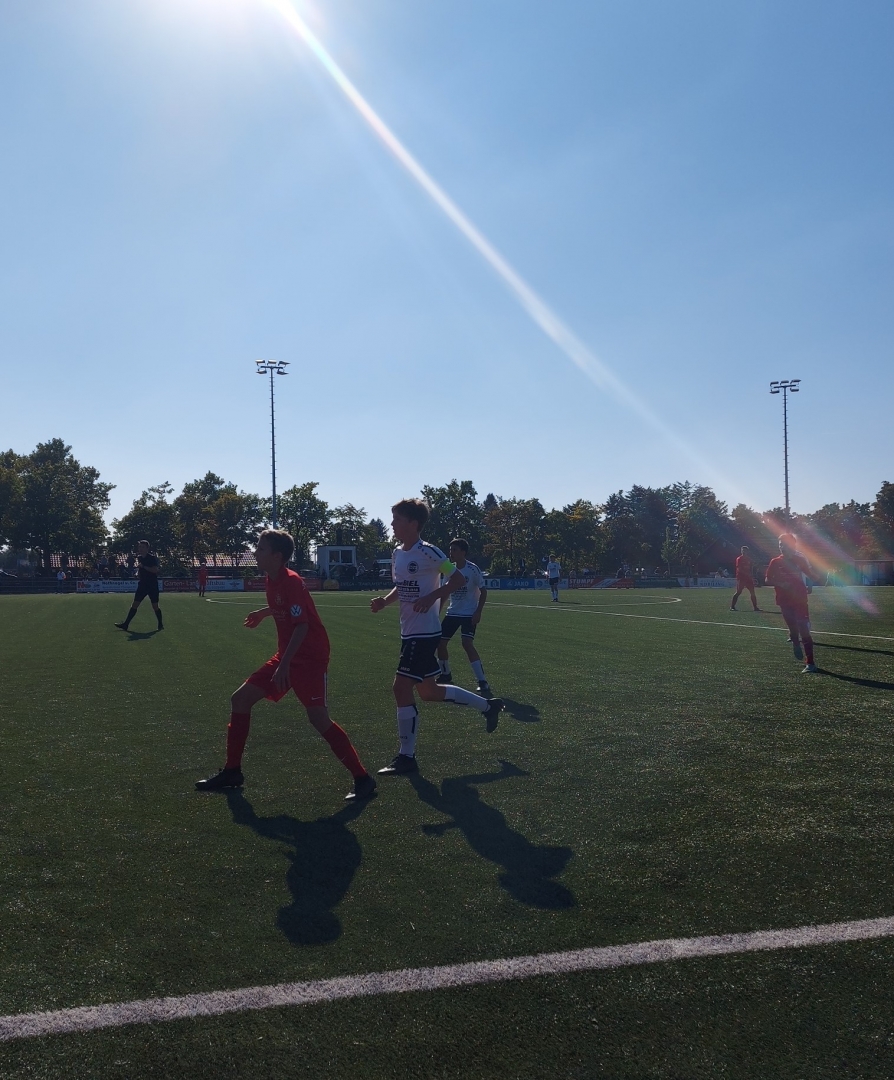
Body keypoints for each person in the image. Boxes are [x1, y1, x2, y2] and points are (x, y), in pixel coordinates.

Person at [196, 529, 376, 801]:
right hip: (288, 655)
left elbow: (302, 626)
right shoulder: (272, 578)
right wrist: (264, 613)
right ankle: (232, 771)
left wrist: (285, 665)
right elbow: (287, 607)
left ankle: (362, 778)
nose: (256, 552)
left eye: (261, 548)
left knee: (318, 718)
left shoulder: (292, 581)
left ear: (277, 556)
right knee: (240, 699)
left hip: (309, 658)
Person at [370, 499, 504, 775]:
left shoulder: (429, 552)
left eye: (397, 519)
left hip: (425, 631)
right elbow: (400, 587)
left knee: (401, 688)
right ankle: (488, 706)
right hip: (409, 631)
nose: (392, 524)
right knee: (429, 692)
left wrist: (432, 596)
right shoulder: (397, 553)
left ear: (413, 524)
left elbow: (457, 580)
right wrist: (385, 601)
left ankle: (406, 756)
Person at [436, 538, 493, 697]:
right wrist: (437, 612)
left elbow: (483, 591)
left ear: (463, 552)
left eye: (454, 550)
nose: (451, 553)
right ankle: (445, 674)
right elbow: (445, 592)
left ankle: (482, 681)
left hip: (469, 613)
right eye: (450, 550)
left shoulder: (473, 569)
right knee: (440, 642)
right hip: (453, 612)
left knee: (467, 643)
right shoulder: (449, 569)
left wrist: (478, 612)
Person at [765, 533, 817, 674]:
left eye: (785, 544)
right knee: (793, 629)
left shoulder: (800, 559)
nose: (782, 547)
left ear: (792, 545)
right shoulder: (775, 562)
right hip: (783, 600)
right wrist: (781, 584)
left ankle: (810, 663)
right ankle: (795, 642)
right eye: (780, 544)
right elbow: (767, 580)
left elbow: (809, 573)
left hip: (800, 599)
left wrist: (814, 581)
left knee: (803, 629)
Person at [115, 540, 163, 631]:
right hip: (142, 585)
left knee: (155, 606)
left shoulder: (152, 558)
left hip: (152, 585)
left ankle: (160, 624)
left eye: (142, 547)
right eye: (139, 547)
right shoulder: (139, 558)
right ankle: (126, 624)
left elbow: (155, 570)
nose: (140, 549)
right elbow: (141, 569)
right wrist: (138, 573)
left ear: (147, 548)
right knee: (135, 604)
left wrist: (143, 567)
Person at [730, 545, 761, 612]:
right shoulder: (739, 559)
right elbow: (739, 569)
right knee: (738, 592)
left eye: (745, 550)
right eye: (743, 550)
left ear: (747, 551)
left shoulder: (749, 559)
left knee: (752, 592)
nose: (744, 552)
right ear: (741, 551)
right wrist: (747, 574)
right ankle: (732, 606)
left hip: (748, 578)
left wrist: (751, 574)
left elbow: (750, 568)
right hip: (741, 578)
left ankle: (755, 607)